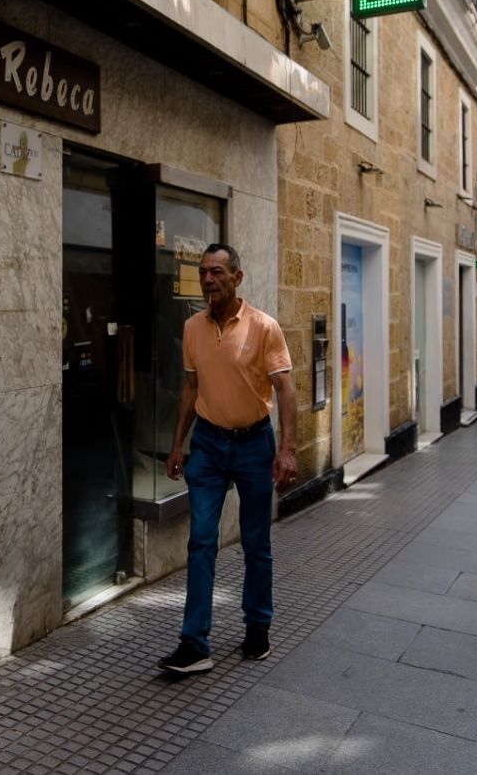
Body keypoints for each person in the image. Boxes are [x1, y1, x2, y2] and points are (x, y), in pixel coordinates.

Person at [158, 244, 296, 674]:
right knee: (201, 542)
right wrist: (178, 443)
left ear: (237, 278)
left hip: (255, 444)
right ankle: (194, 643)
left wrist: (287, 449)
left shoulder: (263, 326)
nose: (208, 280)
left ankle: (258, 626)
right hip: (209, 446)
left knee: (256, 543)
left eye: (217, 272)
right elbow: (189, 388)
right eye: (203, 272)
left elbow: (286, 390)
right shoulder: (192, 328)